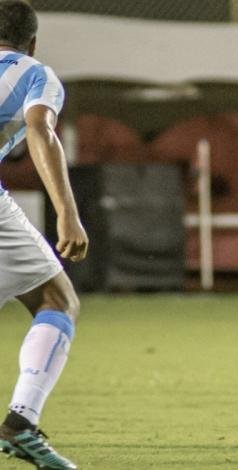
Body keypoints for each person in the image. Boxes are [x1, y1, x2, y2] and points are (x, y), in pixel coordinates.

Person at [0, 2, 88, 469]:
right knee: (57, 299)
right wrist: (67, 212)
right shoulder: (36, 72)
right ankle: (21, 423)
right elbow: (40, 129)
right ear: (32, 41)